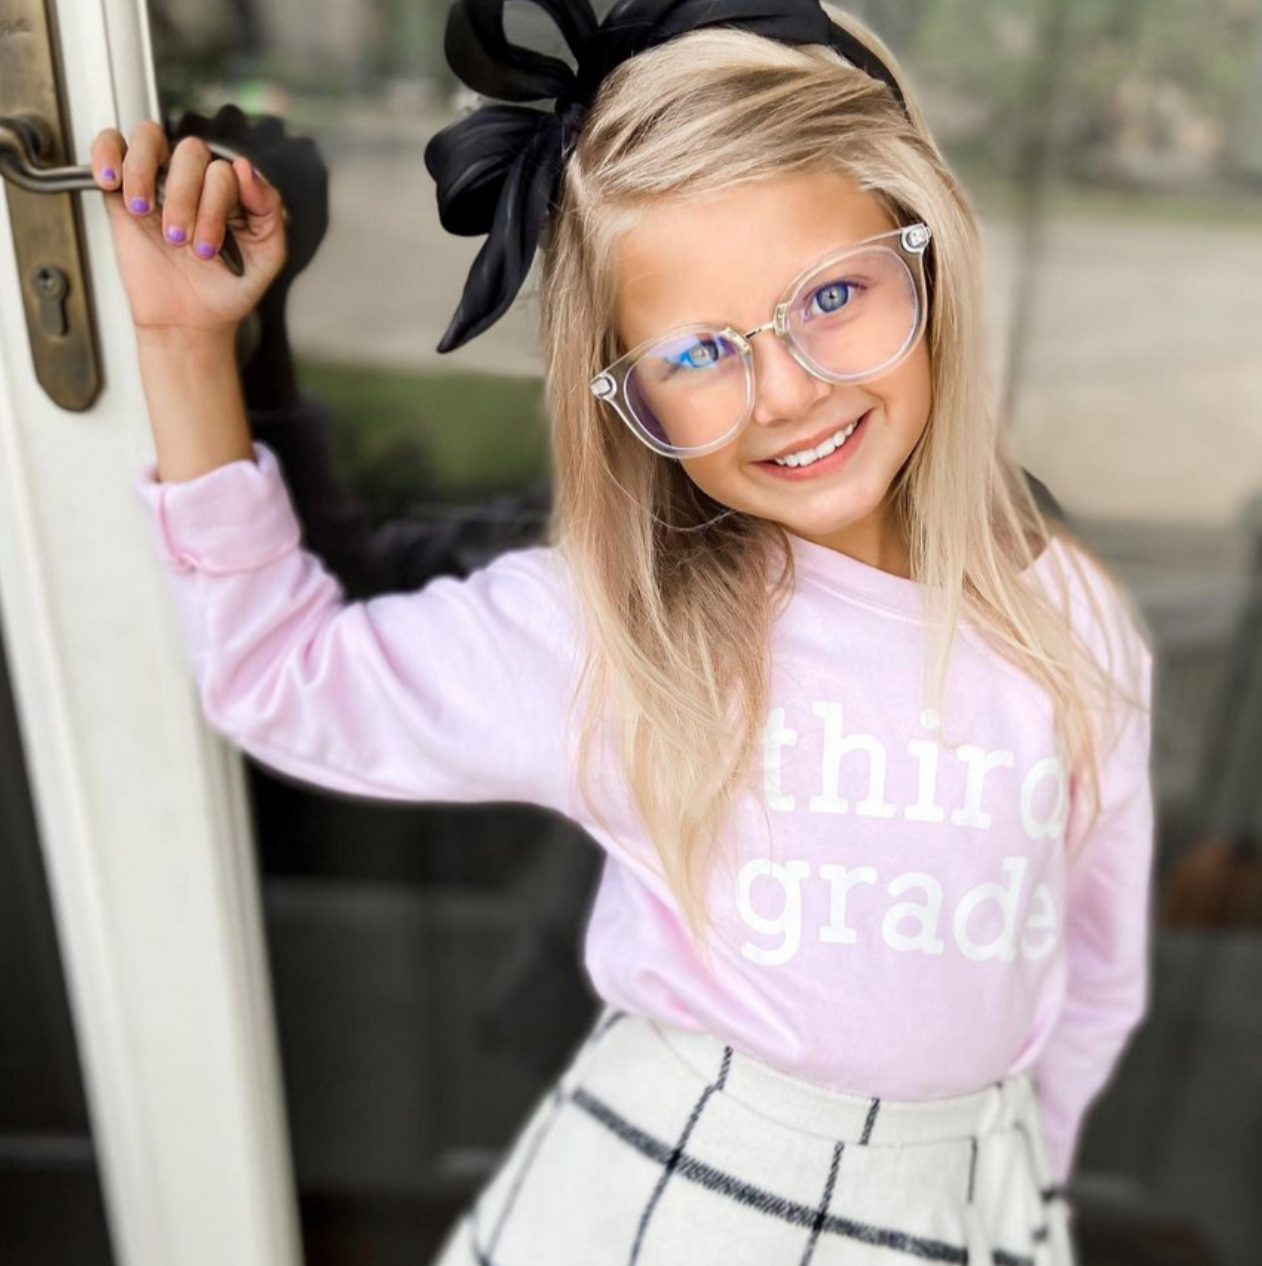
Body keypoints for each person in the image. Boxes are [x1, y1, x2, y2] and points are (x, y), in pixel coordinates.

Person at [91, 1, 1155, 1262]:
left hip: (973, 1189)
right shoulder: (609, 634)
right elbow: (286, 678)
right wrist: (186, 345)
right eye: (698, 352)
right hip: (691, 1194)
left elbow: (1093, 961)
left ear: (924, 262)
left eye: (831, 294)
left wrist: (1024, 1186)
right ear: (628, 392)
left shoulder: (1067, 620)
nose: (787, 390)